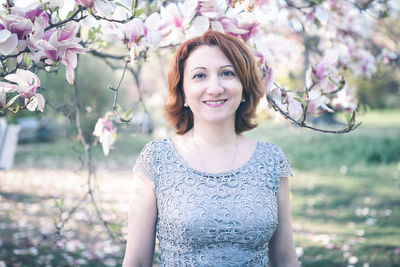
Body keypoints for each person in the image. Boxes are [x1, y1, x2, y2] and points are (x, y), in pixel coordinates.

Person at [122, 30, 299, 267]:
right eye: (199, 76)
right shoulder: (156, 160)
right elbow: (136, 262)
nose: (215, 88)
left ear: (244, 87)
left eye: (227, 73)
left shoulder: (272, 160)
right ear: (182, 92)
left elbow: (285, 258)